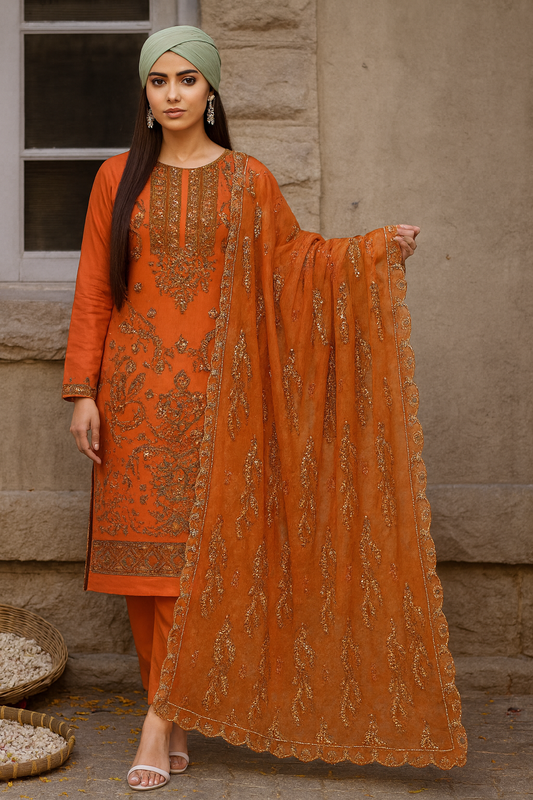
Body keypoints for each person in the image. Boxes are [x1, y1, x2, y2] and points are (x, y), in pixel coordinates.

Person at [64, 25, 466, 792]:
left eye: (187, 80)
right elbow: (93, 291)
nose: (173, 94)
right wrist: (82, 391)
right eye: (160, 82)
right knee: (143, 572)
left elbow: (293, 264)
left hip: (223, 402)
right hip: (137, 396)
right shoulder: (116, 179)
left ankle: (157, 717)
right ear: (145, 95)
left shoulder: (249, 179)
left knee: (196, 562)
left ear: (211, 91)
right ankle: (172, 707)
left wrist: (371, 251)